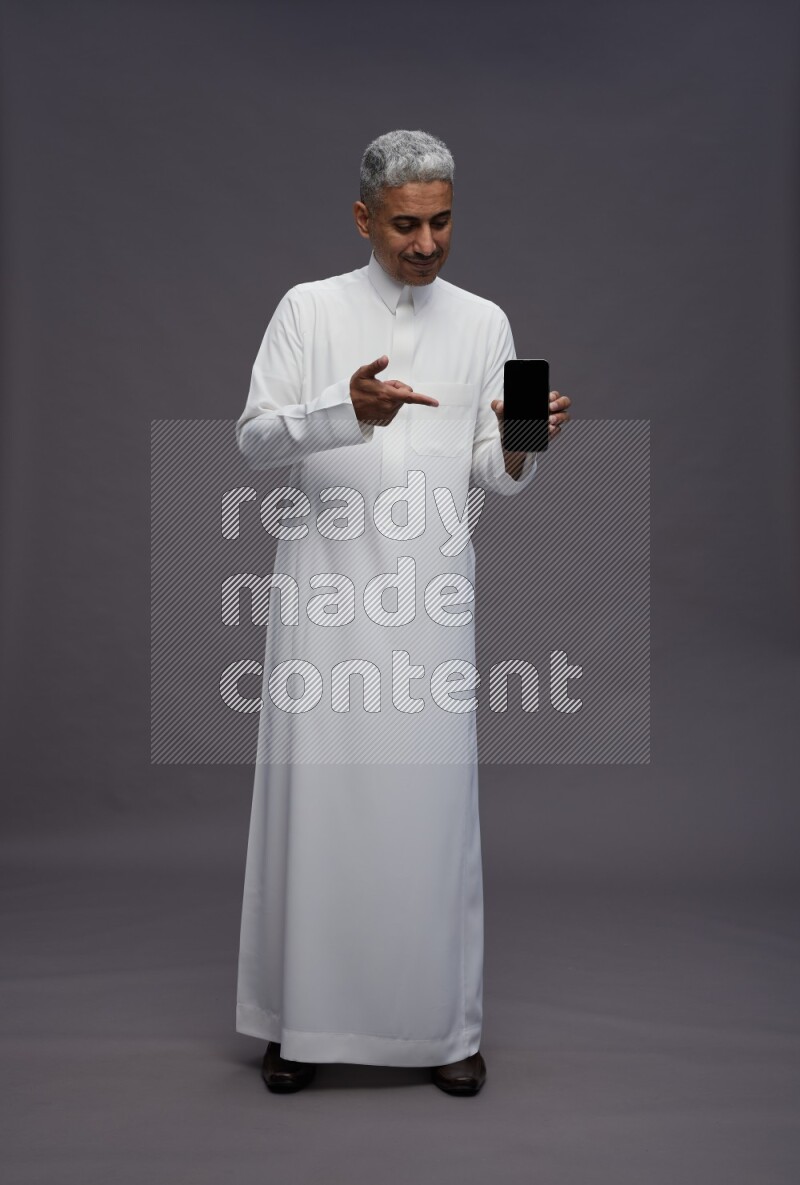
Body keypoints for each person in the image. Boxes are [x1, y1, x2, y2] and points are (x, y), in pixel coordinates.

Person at [234, 129, 571, 1096]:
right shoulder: (309, 310)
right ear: (363, 218)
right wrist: (344, 412)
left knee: (430, 822)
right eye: (405, 225)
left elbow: (489, 479)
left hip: (428, 607)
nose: (425, 244)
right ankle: (299, 1022)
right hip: (326, 604)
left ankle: (442, 1028)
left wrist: (520, 447)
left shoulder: (485, 322)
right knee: (318, 810)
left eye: (442, 221)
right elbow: (255, 439)